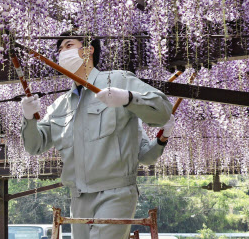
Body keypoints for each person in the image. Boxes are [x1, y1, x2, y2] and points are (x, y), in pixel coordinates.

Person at [20, 32, 173, 239]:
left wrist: (128, 98)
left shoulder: (117, 79)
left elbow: (163, 109)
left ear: (88, 50)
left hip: (115, 192)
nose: (62, 53)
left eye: (68, 45)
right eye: (59, 50)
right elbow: (34, 146)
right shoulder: (59, 106)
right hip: (78, 196)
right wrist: (29, 118)